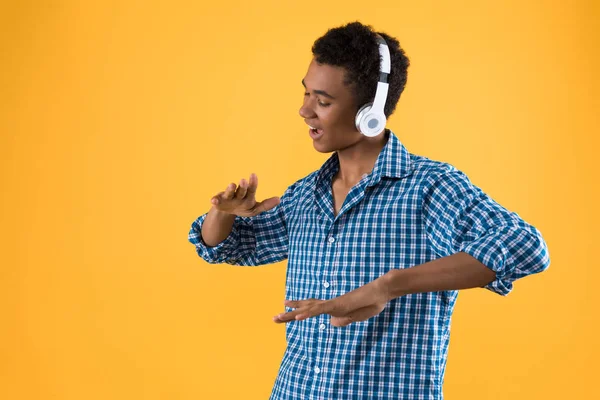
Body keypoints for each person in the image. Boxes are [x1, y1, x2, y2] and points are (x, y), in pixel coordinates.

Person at [188, 21, 550, 400]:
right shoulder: (306, 195)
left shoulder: (429, 188)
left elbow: (525, 246)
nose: (304, 110)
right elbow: (226, 247)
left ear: (370, 113)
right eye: (307, 94)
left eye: (323, 102)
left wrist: (388, 286)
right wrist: (223, 212)